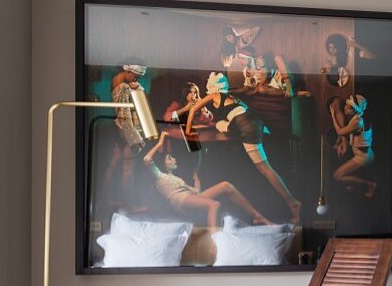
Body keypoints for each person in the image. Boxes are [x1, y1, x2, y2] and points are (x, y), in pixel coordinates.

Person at [184, 72, 302, 223]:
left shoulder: (214, 95)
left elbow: (193, 109)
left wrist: (188, 130)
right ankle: (291, 204)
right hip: (254, 121)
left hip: (245, 125)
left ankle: (293, 203)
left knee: (265, 169)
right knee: (263, 168)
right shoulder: (230, 96)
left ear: (212, 88)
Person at [143, 134, 270, 231]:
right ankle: (214, 241)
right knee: (214, 205)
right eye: (170, 158)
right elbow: (147, 159)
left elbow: (197, 192)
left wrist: (196, 175)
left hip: (187, 198)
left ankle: (257, 216)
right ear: (162, 164)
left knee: (226, 186)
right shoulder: (159, 176)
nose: (174, 159)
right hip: (179, 200)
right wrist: (161, 141)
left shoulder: (178, 179)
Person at [103, 61, 149, 206]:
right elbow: (124, 115)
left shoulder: (119, 82)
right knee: (128, 169)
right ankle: (128, 203)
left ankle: (104, 198)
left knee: (113, 165)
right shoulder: (122, 86)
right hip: (127, 131)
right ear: (128, 72)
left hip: (120, 130)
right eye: (135, 77)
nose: (137, 80)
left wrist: (135, 86)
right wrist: (135, 137)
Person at [331, 93, 376, 198]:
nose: (346, 108)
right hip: (363, 153)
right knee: (347, 185)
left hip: (363, 157)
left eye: (350, 107)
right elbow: (349, 136)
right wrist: (341, 144)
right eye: (346, 105)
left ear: (356, 109)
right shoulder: (356, 118)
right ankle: (353, 185)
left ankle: (370, 185)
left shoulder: (358, 122)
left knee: (336, 176)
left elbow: (340, 132)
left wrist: (333, 114)